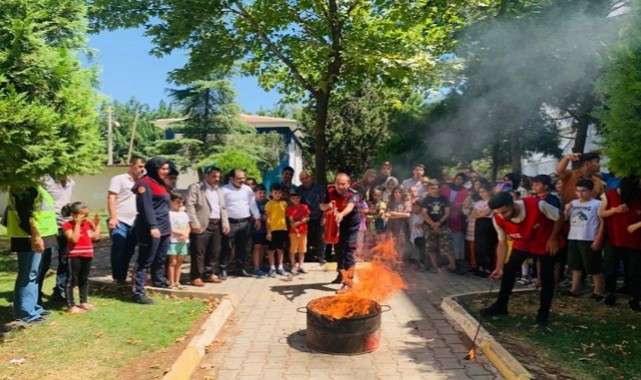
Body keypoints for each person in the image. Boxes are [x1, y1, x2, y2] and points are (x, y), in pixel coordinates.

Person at [481, 192, 560, 326]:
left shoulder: (537, 205)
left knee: (547, 277)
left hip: (543, 242)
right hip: (522, 243)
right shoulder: (498, 218)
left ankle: (543, 313)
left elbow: (559, 216)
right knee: (508, 271)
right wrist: (499, 267)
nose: (502, 216)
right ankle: (501, 306)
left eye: (505, 212)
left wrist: (553, 238)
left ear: (513, 205)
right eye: (498, 213)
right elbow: (502, 243)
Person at [5, 186, 58, 323]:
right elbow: (25, 214)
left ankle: (34, 307)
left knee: (35, 273)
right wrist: (35, 236)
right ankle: (25, 313)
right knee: (29, 273)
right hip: (29, 237)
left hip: (40, 236)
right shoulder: (24, 185)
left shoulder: (35, 185)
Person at [131, 157, 171, 304]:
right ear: (154, 168)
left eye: (167, 169)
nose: (166, 172)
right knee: (145, 260)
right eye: (163, 169)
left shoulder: (159, 183)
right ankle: (138, 292)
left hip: (164, 227)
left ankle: (159, 283)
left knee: (160, 258)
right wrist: (153, 226)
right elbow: (145, 207)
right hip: (151, 228)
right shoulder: (145, 184)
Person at [185, 165, 229, 286]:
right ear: (206, 176)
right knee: (199, 251)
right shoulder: (196, 187)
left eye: (219, 177)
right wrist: (194, 223)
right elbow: (190, 205)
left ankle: (209, 273)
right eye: (214, 176)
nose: (217, 179)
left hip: (217, 223)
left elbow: (223, 207)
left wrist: (225, 223)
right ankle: (196, 276)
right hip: (202, 223)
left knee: (214, 250)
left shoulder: (219, 189)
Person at [601, 177, 641, 309]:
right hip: (614, 237)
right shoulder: (610, 194)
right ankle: (610, 293)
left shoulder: (638, 195)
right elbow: (601, 213)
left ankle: (634, 297)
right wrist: (615, 210)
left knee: (634, 270)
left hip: (635, 239)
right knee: (610, 267)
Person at [562, 180, 604, 300]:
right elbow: (564, 219)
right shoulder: (573, 203)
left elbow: (602, 222)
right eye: (578, 191)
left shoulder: (596, 204)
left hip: (589, 237)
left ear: (591, 191)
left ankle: (597, 290)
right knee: (575, 264)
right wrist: (566, 209)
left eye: (584, 191)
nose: (580, 193)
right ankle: (574, 288)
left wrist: (598, 238)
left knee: (593, 265)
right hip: (574, 236)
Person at [108, 156, 145, 285]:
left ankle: (122, 275)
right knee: (119, 245)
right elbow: (112, 197)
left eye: (143, 167)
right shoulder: (119, 179)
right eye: (139, 166)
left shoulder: (143, 181)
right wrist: (113, 217)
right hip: (120, 219)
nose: (142, 169)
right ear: (131, 165)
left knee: (130, 249)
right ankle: (117, 276)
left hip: (136, 220)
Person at [320, 173, 360, 292]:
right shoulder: (329, 190)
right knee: (338, 249)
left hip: (351, 224)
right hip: (336, 223)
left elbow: (350, 207)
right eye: (338, 183)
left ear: (348, 184)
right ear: (335, 183)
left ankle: (348, 282)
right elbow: (321, 206)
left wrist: (341, 214)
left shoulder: (353, 194)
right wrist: (328, 206)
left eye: (343, 184)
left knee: (349, 251)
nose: (340, 186)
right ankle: (341, 274)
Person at [220, 169, 261, 279]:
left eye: (243, 177)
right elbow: (221, 207)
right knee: (227, 247)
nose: (242, 180)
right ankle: (223, 269)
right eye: (239, 178)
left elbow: (252, 204)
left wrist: (257, 218)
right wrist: (224, 222)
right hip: (230, 222)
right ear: (231, 178)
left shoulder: (247, 189)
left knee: (242, 247)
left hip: (245, 222)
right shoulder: (224, 190)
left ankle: (240, 269)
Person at [61, 202, 100, 314]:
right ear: (74, 215)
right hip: (74, 256)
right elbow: (74, 240)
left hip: (87, 254)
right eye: (83, 215)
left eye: (87, 215)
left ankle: (84, 301)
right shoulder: (67, 225)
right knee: (72, 280)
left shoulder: (88, 224)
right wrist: (77, 224)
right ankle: (71, 305)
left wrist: (96, 225)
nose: (86, 218)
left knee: (84, 279)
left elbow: (95, 237)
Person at [42, 174, 75, 303]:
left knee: (65, 260)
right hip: (49, 226)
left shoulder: (71, 182)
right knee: (45, 261)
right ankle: (36, 292)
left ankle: (59, 291)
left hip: (65, 225)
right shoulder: (47, 180)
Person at [421, 180, 457, 273]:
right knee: (431, 247)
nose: (433, 190)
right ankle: (435, 266)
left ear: (439, 188)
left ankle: (453, 266)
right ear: (428, 189)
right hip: (429, 226)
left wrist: (439, 223)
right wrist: (433, 224)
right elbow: (424, 213)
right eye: (431, 188)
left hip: (443, 226)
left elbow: (447, 213)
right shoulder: (426, 200)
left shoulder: (444, 199)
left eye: (435, 188)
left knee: (447, 246)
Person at [297, 170, 327, 264]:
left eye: (307, 178)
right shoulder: (298, 190)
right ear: (300, 180)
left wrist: (324, 216)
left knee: (321, 237)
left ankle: (320, 256)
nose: (305, 180)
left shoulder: (319, 188)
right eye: (302, 179)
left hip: (319, 216)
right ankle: (308, 256)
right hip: (305, 218)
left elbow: (324, 201)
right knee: (306, 238)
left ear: (311, 177)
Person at [441, 173, 470, 266]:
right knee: (446, 239)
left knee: (457, 239)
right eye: (457, 178)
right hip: (446, 216)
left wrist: (454, 203)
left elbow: (464, 204)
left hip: (458, 217)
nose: (458, 181)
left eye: (461, 179)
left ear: (463, 181)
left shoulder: (465, 191)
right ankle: (447, 259)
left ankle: (458, 259)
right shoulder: (447, 188)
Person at [471, 182, 496, 278]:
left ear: (489, 191)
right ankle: (480, 266)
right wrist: (479, 214)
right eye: (480, 192)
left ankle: (489, 267)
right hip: (479, 224)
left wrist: (479, 213)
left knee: (487, 246)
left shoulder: (492, 201)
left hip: (488, 224)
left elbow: (486, 213)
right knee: (479, 246)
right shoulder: (479, 202)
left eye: (484, 191)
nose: (481, 194)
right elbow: (473, 214)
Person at [265, 183, 289, 276]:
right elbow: (267, 218)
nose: (277, 194)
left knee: (280, 249)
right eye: (275, 192)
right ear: (271, 193)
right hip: (273, 230)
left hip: (283, 229)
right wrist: (268, 232)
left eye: (279, 193)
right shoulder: (269, 204)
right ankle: (272, 268)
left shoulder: (284, 203)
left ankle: (280, 267)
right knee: (271, 250)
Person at [167, 191, 190, 289]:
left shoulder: (184, 214)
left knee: (180, 262)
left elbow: (188, 226)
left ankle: (177, 282)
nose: (180, 205)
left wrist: (186, 234)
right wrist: (181, 233)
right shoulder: (169, 213)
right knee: (172, 262)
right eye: (178, 202)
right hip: (173, 241)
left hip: (183, 241)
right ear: (171, 201)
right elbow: (169, 228)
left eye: (182, 203)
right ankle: (171, 282)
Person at [287, 189, 311, 274]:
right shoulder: (290, 209)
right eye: (293, 198)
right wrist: (296, 229)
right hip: (294, 232)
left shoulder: (304, 207)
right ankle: (293, 265)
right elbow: (291, 222)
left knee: (302, 249)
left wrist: (299, 222)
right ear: (290, 199)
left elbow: (307, 218)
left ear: (300, 198)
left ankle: (301, 265)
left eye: (297, 198)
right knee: (293, 250)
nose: (295, 200)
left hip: (304, 231)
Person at [251, 184, 269, 277]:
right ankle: (256, 267)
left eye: (264, 193)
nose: (262, 195)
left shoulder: (268, 202)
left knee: (262, 247)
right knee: (257, 247)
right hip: (256, 229)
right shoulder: (253, 203)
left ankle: (260, 266)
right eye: (260, 193)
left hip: (265, 229)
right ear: (255, 193)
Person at [409, 200, 427, 270]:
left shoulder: (423, 216)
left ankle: (422, 264)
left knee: (420, 250)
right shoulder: (410, 215)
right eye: (414, 206)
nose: (416, 208)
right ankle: (414, 264)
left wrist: (421, 225)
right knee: (413, 250)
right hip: (411, 235)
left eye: (418, 207)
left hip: (420, 236)